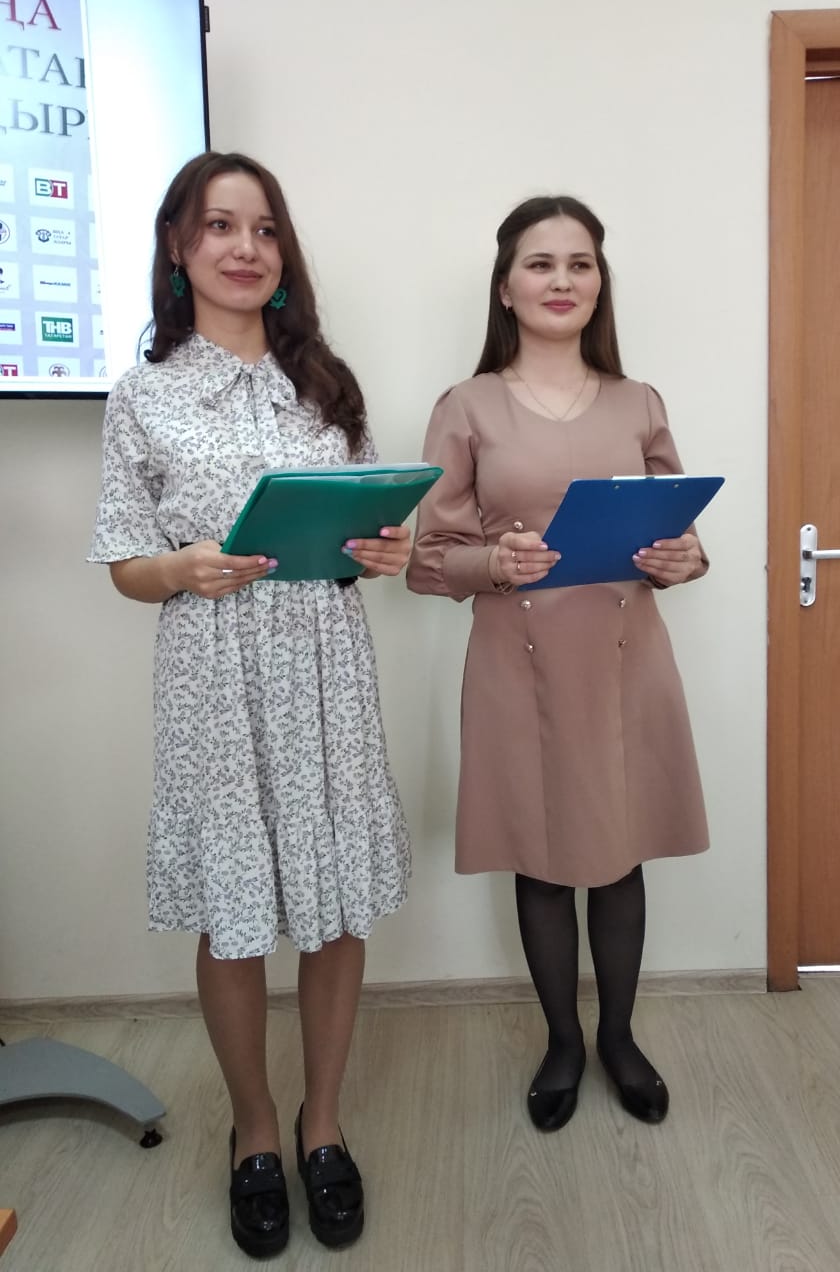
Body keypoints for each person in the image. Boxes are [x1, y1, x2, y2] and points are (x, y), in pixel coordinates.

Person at [89, 151, 411, 1257]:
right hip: (214, 679)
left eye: (265, 229)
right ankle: (257, 1130)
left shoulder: (326, 384)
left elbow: (371, 523)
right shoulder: (143, 395)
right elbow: (125, 563)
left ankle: (324, 1123)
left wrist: (384, 549)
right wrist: (180, 568)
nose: (246, 248)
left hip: (328, 668)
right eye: (220, 226)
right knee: (233, 908)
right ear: (179, 247)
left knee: (335, 900)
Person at [406, 196, 709, 1133]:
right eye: (541, 264)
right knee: (539, 859)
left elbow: (679, 530)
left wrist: (685, 557)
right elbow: (426, 559)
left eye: (581, 264)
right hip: (519, 660)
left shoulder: (638, 401)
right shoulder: (467, 406)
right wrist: (492, 563)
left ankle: (619, 1038)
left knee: (618, 857)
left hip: (624, 658)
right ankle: (563, 1044)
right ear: (505, 287)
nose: (563, 280)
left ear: (599, 284)